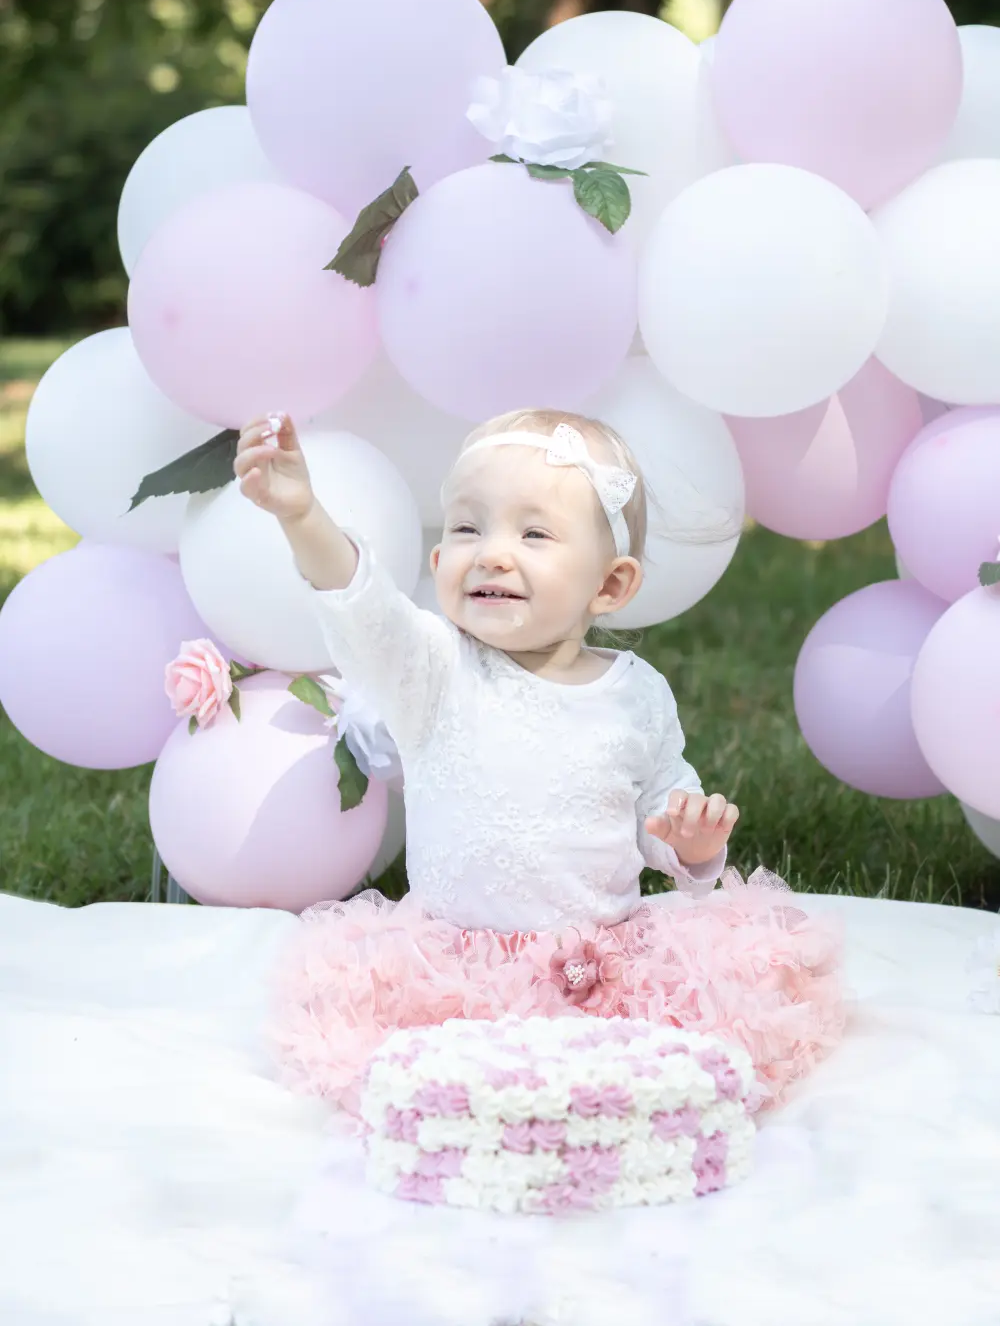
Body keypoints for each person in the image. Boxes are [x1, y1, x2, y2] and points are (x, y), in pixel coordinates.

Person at [236, 407, 844, 1117]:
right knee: (454, 1101)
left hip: (600, 968)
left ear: (609, 586)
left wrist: (692, 844)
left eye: (533, 533)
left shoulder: (635, 696)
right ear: (438, 565)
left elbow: (660, 805)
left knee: (622, 1096)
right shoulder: (434, 671)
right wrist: (302, 515)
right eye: (467, 528)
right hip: (451, 974)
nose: (491, 553)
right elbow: (364, 609)